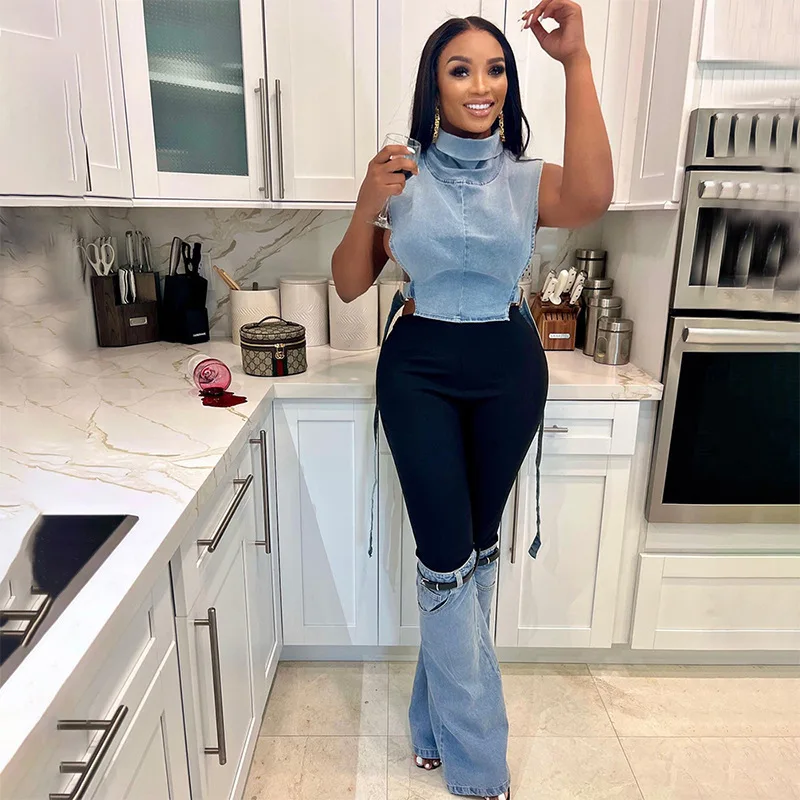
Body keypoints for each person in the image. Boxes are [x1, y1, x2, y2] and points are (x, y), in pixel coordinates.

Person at [332, 1, 612, 797]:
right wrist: (365, 202)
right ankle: (480, 761)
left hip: (507, 369)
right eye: (461, 70)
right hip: (417, 369)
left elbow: (594, 194)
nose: (480, 85)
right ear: (435, 84)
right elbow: (349, 283)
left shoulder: (527, 181)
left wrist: (576, 61)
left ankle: (431, 722)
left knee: (475, 550)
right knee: (443, 555)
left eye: (495, 70)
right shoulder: (399, 174)